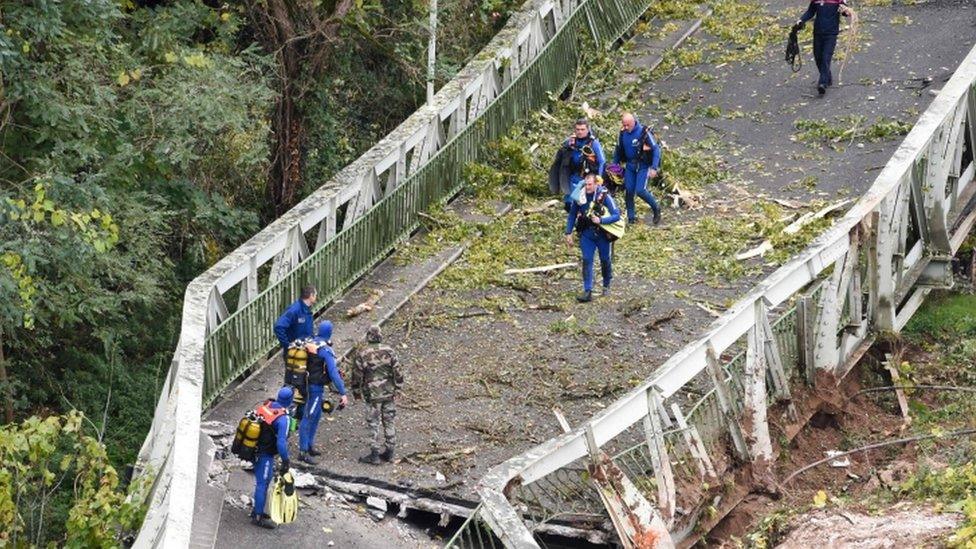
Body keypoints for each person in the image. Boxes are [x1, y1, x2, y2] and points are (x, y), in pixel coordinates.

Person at [297, 321, 349, 464]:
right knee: (308, 417)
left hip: (305, 385)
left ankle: (309, 445)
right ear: (330, 332)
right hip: (314, 387)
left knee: (316, 414)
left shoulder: (310, 343)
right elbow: (333, 372)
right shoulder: (325, 350)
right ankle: (303, 451)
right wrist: (342, 392)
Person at [351, 325, 403, 465]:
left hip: (372, 395)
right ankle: (390, 452)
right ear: (380, 336)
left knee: (373, 424)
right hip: (388, 392)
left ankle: (374, 455)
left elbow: (357, 376)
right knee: (389, 421)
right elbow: (397, 371)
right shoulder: (390, 351)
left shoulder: (362, 354)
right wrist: (398, 388)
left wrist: (356, 392)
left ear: (368, 337)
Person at [565, 174, 621, 302]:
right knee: (587, 259)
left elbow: (617, 215)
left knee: (605, 260)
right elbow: (572, 214)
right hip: (587, 233)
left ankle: (606, 285)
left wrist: (601, 220)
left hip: (602, 233)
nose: (587, 187)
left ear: (596, 184)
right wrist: (568, 232)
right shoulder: (579, 196)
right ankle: (587, 290)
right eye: (586, 184)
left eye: (590, 184)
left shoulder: (604, 196)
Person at [251, 386, 293, 529]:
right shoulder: (283, 418)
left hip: (254, 448)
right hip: (265, 454)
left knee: (263, 481)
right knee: (262, 484)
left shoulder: (267, 405)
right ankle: (257, 516)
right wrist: (285, 460)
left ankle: (257, 509)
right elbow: (281, 442)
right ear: (290, 400)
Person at [275, 285, 317, 420]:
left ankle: (299, 414)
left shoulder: (306, 310)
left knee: (303, 383)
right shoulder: (295, 310)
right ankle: (282, 413)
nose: (316, 297)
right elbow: (279, 326)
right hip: (295, 356)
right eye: (315, 295)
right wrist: (287, 345)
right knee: (293, 383)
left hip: (305, 354)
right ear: (311, 296)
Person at [794, 0, 853, 95]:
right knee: (818, 57)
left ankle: (822, 83)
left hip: (831, 34)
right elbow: (810, 12)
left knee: (826, 57)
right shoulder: (816, 1)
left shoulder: (838, 1)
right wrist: (801, 20)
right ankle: (827, 77)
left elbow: (845, 12)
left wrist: (847, 11)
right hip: (818, 32)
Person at [613, 113, 661, 226]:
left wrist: (654, 167)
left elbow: (656, 149)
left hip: (643, 165)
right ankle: (631, 218)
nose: (625, 128)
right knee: (629, 191)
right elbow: (618, 150)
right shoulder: (622, 133)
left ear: (634, 122)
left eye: (627, 125)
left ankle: (656, 208)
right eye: (623, 125)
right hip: (630, 165)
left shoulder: (643, 132)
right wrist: (615, 165)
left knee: (640, 190)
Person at [550, 118, 606, 210]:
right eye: (578, 129)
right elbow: (560, 156)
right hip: (573, 176)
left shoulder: (593, 143)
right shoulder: (571, 141)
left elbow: (602, 161)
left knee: (583, 205)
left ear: (588, 129)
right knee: (569, 204)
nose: (580, 132)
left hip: (587, 178)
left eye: (582, 129)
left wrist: (599, 178)